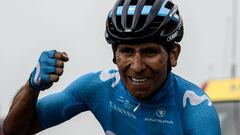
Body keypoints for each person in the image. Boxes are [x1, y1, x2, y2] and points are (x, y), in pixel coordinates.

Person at [3, 0, 221, 135]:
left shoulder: (196, 110)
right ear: (114, 55)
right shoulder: (99, 87)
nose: (136, 66)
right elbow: (14, 130)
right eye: (127, 51)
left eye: (149, 52)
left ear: (173, 54)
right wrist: (33, 85)